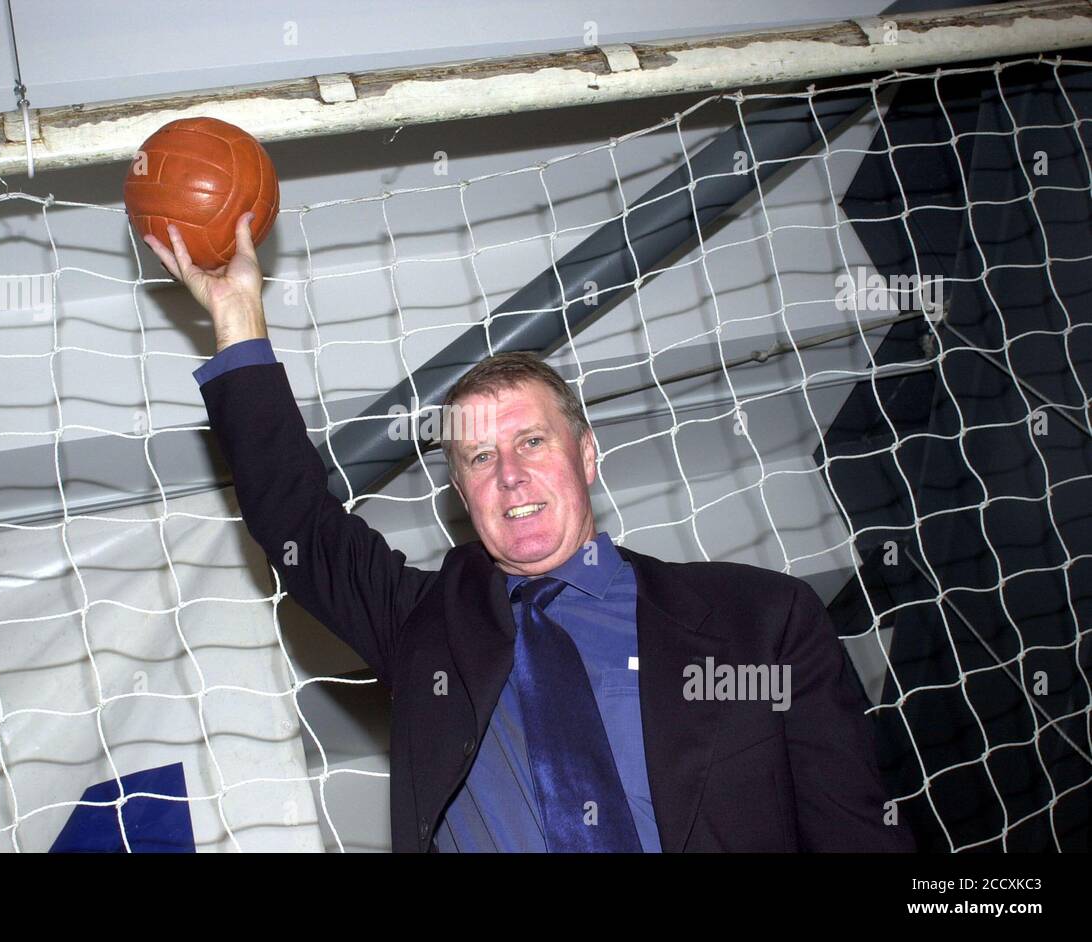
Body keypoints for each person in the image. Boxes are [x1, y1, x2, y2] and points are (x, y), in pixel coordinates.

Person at [143, 213, 915, 853]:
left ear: (587, 455)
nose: (509, 473)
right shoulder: (423, 627)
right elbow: (293, 519)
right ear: (460, 494)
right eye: (480, 456)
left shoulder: (764, 622)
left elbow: (857, 836)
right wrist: (236, 311)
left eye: (532, 442)